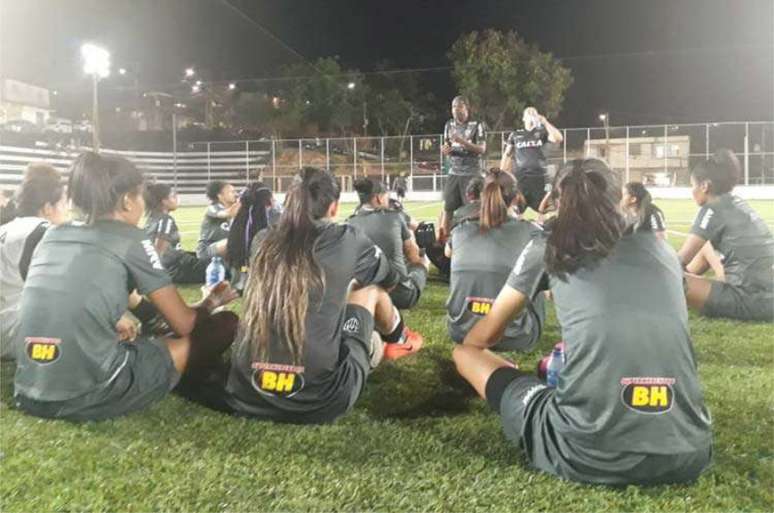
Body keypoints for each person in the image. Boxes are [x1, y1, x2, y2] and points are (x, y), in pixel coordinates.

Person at [453, 158, 712, 485]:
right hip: (688, 452)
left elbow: (484, 335)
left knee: (465, 354)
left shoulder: (549, 244)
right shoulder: (662, 251)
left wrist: (492, 359)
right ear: (619, 199)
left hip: (584, 452)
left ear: (560, 202)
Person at [13, 152, 239, 421]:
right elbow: (185, 325)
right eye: (141, 196)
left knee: (148, 336)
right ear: (127, 201)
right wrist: (211, 303)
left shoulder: (52, 234)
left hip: (28, 390)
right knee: (225, 324)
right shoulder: (130, 237)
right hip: (87, 394)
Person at [216, 167, 424, 424]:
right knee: (369, 292)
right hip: (320, 400)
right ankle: (400, 338)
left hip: (248, 395)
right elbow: (390, 281)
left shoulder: (262, 240)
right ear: (334, 207)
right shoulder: (348, 238)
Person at [446, 169, 545, 351]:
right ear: (515, 198)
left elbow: (448, 253)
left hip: (461, 331)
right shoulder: (532, 232)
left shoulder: (460, 229)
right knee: (535, 272)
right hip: (513, 336)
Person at [678, 149, 774, 322]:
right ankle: (691, 283)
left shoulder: (711, 208)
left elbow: (677, 261)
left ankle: (682, 290)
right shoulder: (737, 202)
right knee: (705, 246)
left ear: (704, 186)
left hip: (746, 299)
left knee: (668, 278)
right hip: (767, 297)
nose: (691, 191)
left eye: (693, 186)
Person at [1, 164, 68, 359]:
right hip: (19, 337)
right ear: (48, 207)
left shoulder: (6, 228)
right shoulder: (44, 231)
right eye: (63, 204)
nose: (66, 211)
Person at [349, 177, 429, 310]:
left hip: (365, 295)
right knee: (422, 262)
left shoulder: (349, 224)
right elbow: (413, 256)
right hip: (400, 296)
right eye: (386, 196)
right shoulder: (396, 217)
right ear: (378, 198)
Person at [500, 107, 563, 214]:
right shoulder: (515, 134)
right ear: (524, 118)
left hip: (539, 178)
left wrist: (545, 122)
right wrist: (500, 173)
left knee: (538, 209)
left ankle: (537, 228)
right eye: (528, 112)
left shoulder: (542, 132)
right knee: (521, 208)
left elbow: (558, 138)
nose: (531, 114)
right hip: (520, 178)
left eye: (534, 112)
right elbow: (507, 155)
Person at [440, 96, 486, 240]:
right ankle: (445, 242)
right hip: (454, 172)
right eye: (453, 107)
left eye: (459, 107)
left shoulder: (477, 124)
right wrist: (445, 150)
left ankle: (475, 240)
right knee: (448, 208)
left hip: (471, 173)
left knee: (472, 209)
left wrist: (462, 141)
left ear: (466, 108)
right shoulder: (448, 124)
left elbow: (482, 149)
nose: (455, 110)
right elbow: (447, 145)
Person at [144, 183, 208, 284]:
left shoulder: (151, 219)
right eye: (173, 196)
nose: (176, 199)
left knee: (205, 257)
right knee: (223, 267)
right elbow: (158, 250)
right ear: (164, 201)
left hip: (175, 263)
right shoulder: (166, 220)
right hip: (176, 269)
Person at [225, 182, 279, 292]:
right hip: (260, 277)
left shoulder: (240, 219)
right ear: (267, 200)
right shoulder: (272, 218)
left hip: (238, 275)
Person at [195, 180, 240, 260]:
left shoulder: (234, 210)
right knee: (234, 242)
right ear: (220, 196)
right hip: (206, 250)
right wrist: (240, 203)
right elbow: (225, 214)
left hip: (223, 251)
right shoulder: (212, 208)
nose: (236, 194)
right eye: (231, 192)